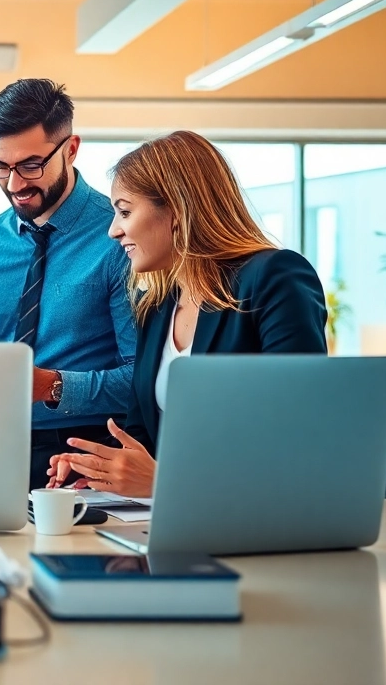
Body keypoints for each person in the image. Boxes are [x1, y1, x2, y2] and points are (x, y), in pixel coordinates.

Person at [47, 130, 328, 497]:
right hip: (175, 518)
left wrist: (166, 482)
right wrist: (99, 466)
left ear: (177, 211)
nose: (113, 231)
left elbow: (296, 436)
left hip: (258, 517)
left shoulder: (274, 276)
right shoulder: (157, 307)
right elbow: (143, 439)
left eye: (125, 212)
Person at [0, 79, 136, 490]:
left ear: (71, 149)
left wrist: (52, 386)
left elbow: (141, 378)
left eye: (31, 165)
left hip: (88, 449)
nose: (15, 184)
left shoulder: (121, 235)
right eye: (1, 166)